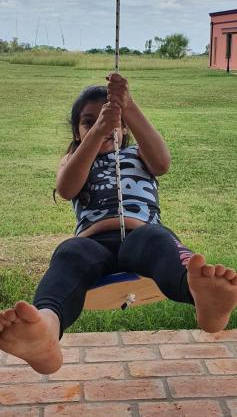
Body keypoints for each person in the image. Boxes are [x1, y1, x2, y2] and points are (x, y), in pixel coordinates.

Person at [0, 73, 236, 375]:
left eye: (113, 121)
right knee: (68, 255)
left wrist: (129, 105)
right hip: (92, 243)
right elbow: (67, 188)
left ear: (125, 127)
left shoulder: (139, 153)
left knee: (159, 242)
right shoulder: (75, 157)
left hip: (141, 235)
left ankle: (205, 299)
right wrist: (99, 131)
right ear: (77, 132)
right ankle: (45, 331)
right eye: (89, 121)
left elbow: (163, 163)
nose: (104, 126)